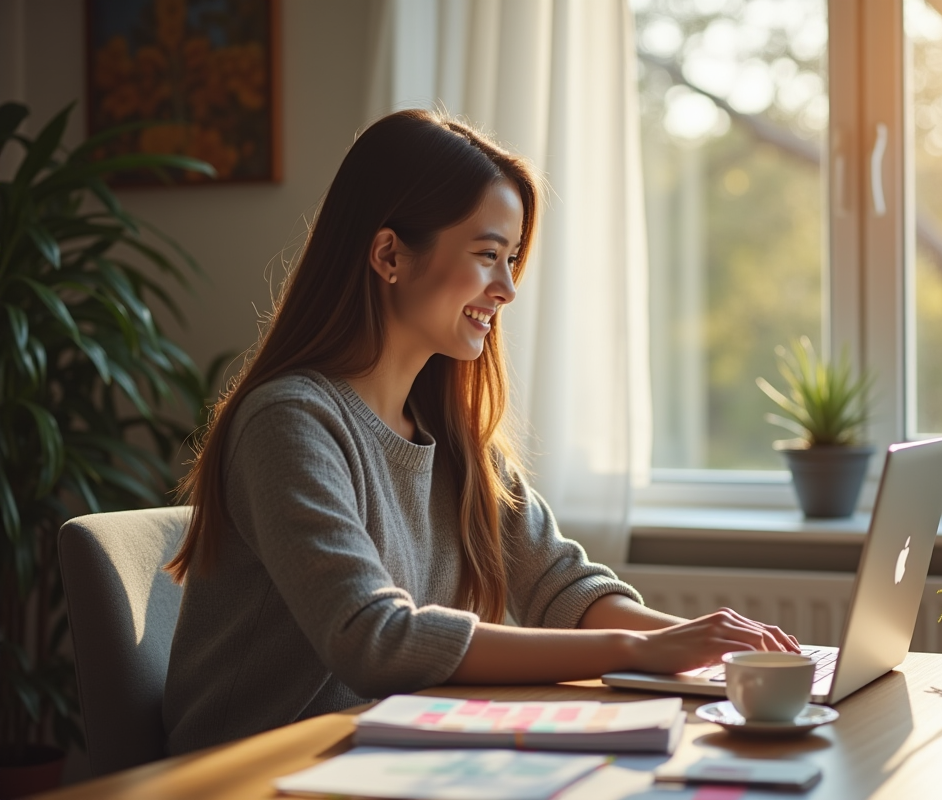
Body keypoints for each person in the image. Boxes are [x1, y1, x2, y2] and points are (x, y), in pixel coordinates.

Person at [162, 109, 799, 755]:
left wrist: (713, 652)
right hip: (247, 771)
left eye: (513, 259)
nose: (508, 288)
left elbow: (560, 586)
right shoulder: (289, 422)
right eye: (489, 255)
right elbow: (372, 638)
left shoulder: (453, 439)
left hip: (384, 755)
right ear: (389, 255)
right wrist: (636, 649)